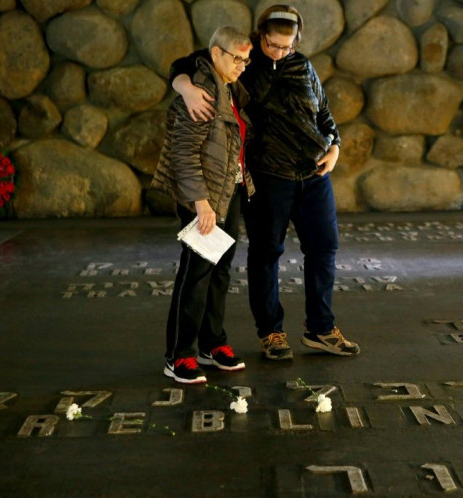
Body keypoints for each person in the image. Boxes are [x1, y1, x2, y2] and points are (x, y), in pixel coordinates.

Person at [170, 4, 360, 361]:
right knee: (265, 254)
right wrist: (185, 88)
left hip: (314, 176)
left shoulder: (302, 66)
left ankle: (321, 328)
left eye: (287, 46)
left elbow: (324, 114)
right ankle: (271, 332)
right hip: (270, 178)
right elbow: (188, 64)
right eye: (274, 45)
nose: (280, 52)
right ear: (261, 37)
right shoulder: (243, 63)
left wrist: (334, 146)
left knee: (324, 249)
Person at [151, 26, 254, 384]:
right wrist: (201, 204)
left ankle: (213, 345)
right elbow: (183, 153)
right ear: (215, 55)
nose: (243, 65)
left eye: (247, 58)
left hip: (231, 191)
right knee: (195, 275)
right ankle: (179, 355)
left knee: (220, 271)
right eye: (237, 58)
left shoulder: (229, 87)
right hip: (205, 199)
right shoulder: (201, 92)